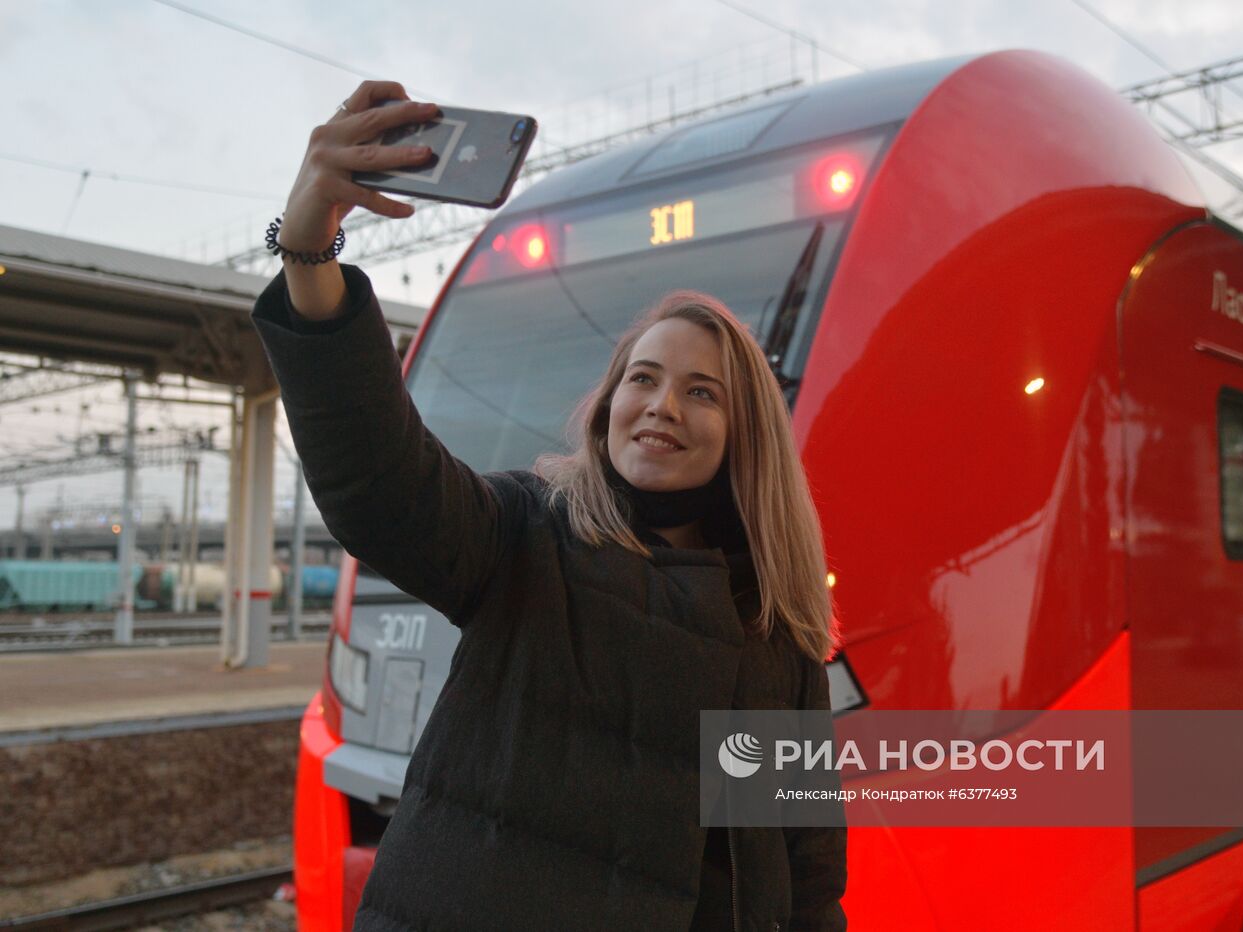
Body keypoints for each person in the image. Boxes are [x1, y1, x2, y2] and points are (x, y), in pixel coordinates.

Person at [252, 80, 847, 931]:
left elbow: (805, 870)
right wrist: (308, 250)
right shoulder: (527, 535)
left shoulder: (773, 633)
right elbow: (383, 482)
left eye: (702, 392)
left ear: (746, 436)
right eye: (642, 378)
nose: (662, 406)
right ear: (606, 412)